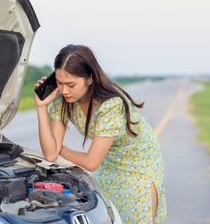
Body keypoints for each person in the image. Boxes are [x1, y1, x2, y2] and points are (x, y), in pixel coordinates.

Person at [34, 44, 167, 224]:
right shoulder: (63, 101)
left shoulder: (111, 105)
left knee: (134, 216)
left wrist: (59, 148)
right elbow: (50, 154)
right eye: (59, 83)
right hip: (108, 158)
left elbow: (90, 162)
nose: (64, 91)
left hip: (138, 163)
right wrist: (41, 107)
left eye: (71, 84)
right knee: (105, 216)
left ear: (89, 79)